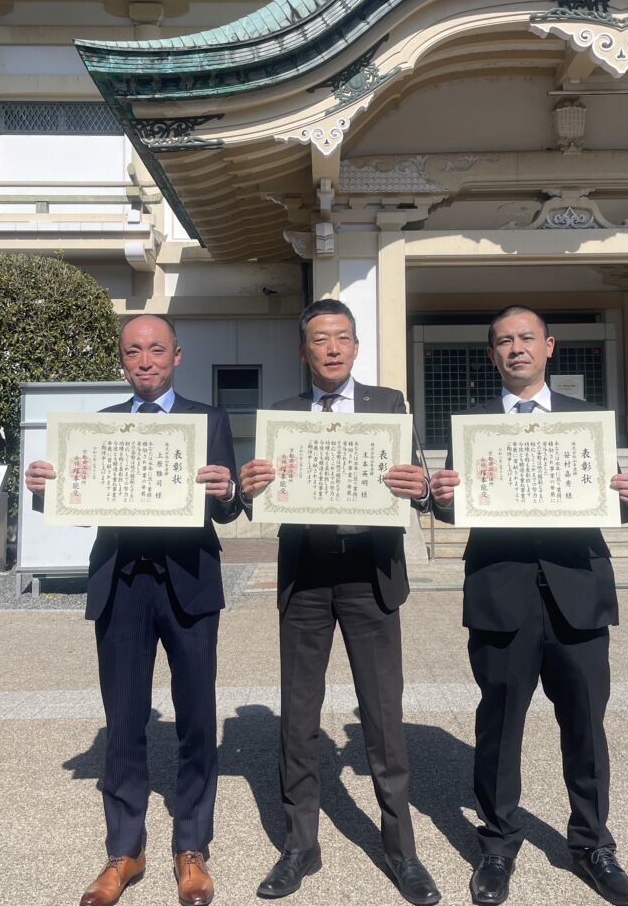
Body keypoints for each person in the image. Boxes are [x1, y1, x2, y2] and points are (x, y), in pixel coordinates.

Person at [429, 305, 628, 906]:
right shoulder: (473, 424)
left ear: (550, 346)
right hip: (501, 592)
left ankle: (593, 844)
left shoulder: (585, 421)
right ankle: (497, 844)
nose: (516, 348)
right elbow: (453, 507)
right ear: (492, 354)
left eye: (527, 338)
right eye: (504, 341)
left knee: (585, 724)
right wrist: (440, 499)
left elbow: (613, 498)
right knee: (499, 724)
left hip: (578, 591)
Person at [25, 314, 242, 906]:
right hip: (120, 584)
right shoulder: (100, 428)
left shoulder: (209, 419)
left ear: (177, 355)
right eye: (133, 352)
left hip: (189, 583)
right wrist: (47, 489)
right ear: (121, 361)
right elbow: (80, 505)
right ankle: (125, 849)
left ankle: (191, 846)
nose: (145, 361)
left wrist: (228, 491)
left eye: (156, 350)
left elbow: (227, 509)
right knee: (123, 721)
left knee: (197, 718)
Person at [240, 298, 440, 906]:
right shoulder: (281, 414)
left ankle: (401, 850)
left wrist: (421, 488)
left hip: (369, 574)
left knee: (382, 716)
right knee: (298, 716)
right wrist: (249, 489)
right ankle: (300, 845)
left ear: (356, 346)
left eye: (342, 337)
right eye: (320, 338)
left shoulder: (388, 404)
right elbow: (256, 495)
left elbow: (420, 483)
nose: (332, 348)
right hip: (305, 574)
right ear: (303, 349)